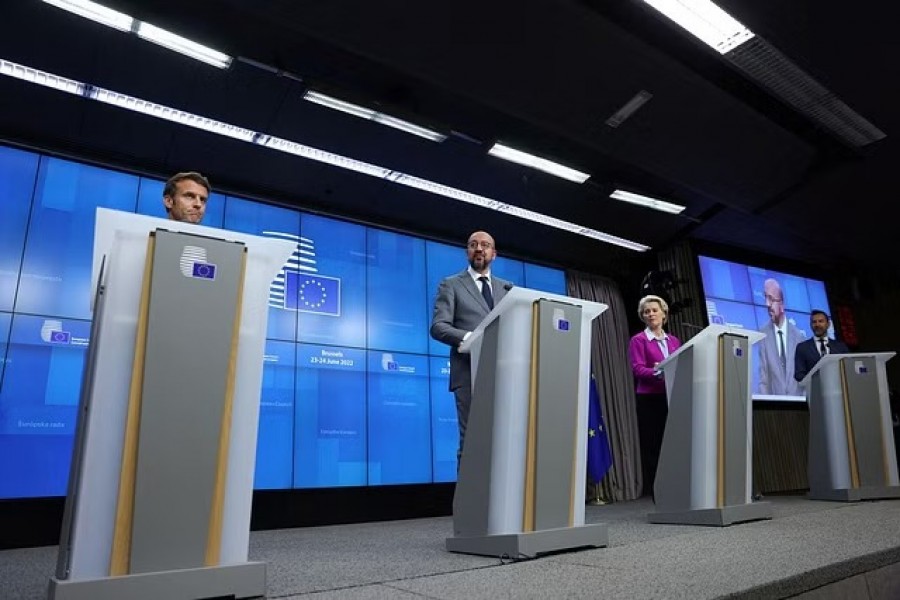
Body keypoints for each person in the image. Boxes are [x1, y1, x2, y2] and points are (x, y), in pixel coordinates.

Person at [430, 231, 512, 460]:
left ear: (493, 254)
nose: (479, 248)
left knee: (504, 441)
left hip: (504, 373)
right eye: (473, 244)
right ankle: (470, 497)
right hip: (468, 373)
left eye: (485, 245)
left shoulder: (507, 289)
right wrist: (472, 338)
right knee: (473, 442)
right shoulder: (451, 284)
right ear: (467, 251)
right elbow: (438, 327)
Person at [628, 294, 681, 498]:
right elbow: (638, 370)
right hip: (650, 399)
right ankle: (659, 492)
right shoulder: (639, 340)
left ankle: (676, 487)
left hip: (673, 397)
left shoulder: (674, 340)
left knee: (674, 444)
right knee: (654, 446)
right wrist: (660, 372)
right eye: (646, 312)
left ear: (664, 313)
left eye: (654, 310)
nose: (650, 314)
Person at [757, 278, 805, 396]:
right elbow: (764, 381)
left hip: (800, 407)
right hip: (775, 408)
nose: (767, 304)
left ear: (782, 304)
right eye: (766, 298)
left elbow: (805, 380)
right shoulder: (763, 335)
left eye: (771, 299)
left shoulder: (799, 336)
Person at [794, 309, 850, 383]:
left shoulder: (840, 347)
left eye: (821, 321)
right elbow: (799, 375)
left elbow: (848, 369)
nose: (817, 325)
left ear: (828, 324)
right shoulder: (802, 347)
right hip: (815, 391)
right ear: (810, 325)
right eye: (814, 322)